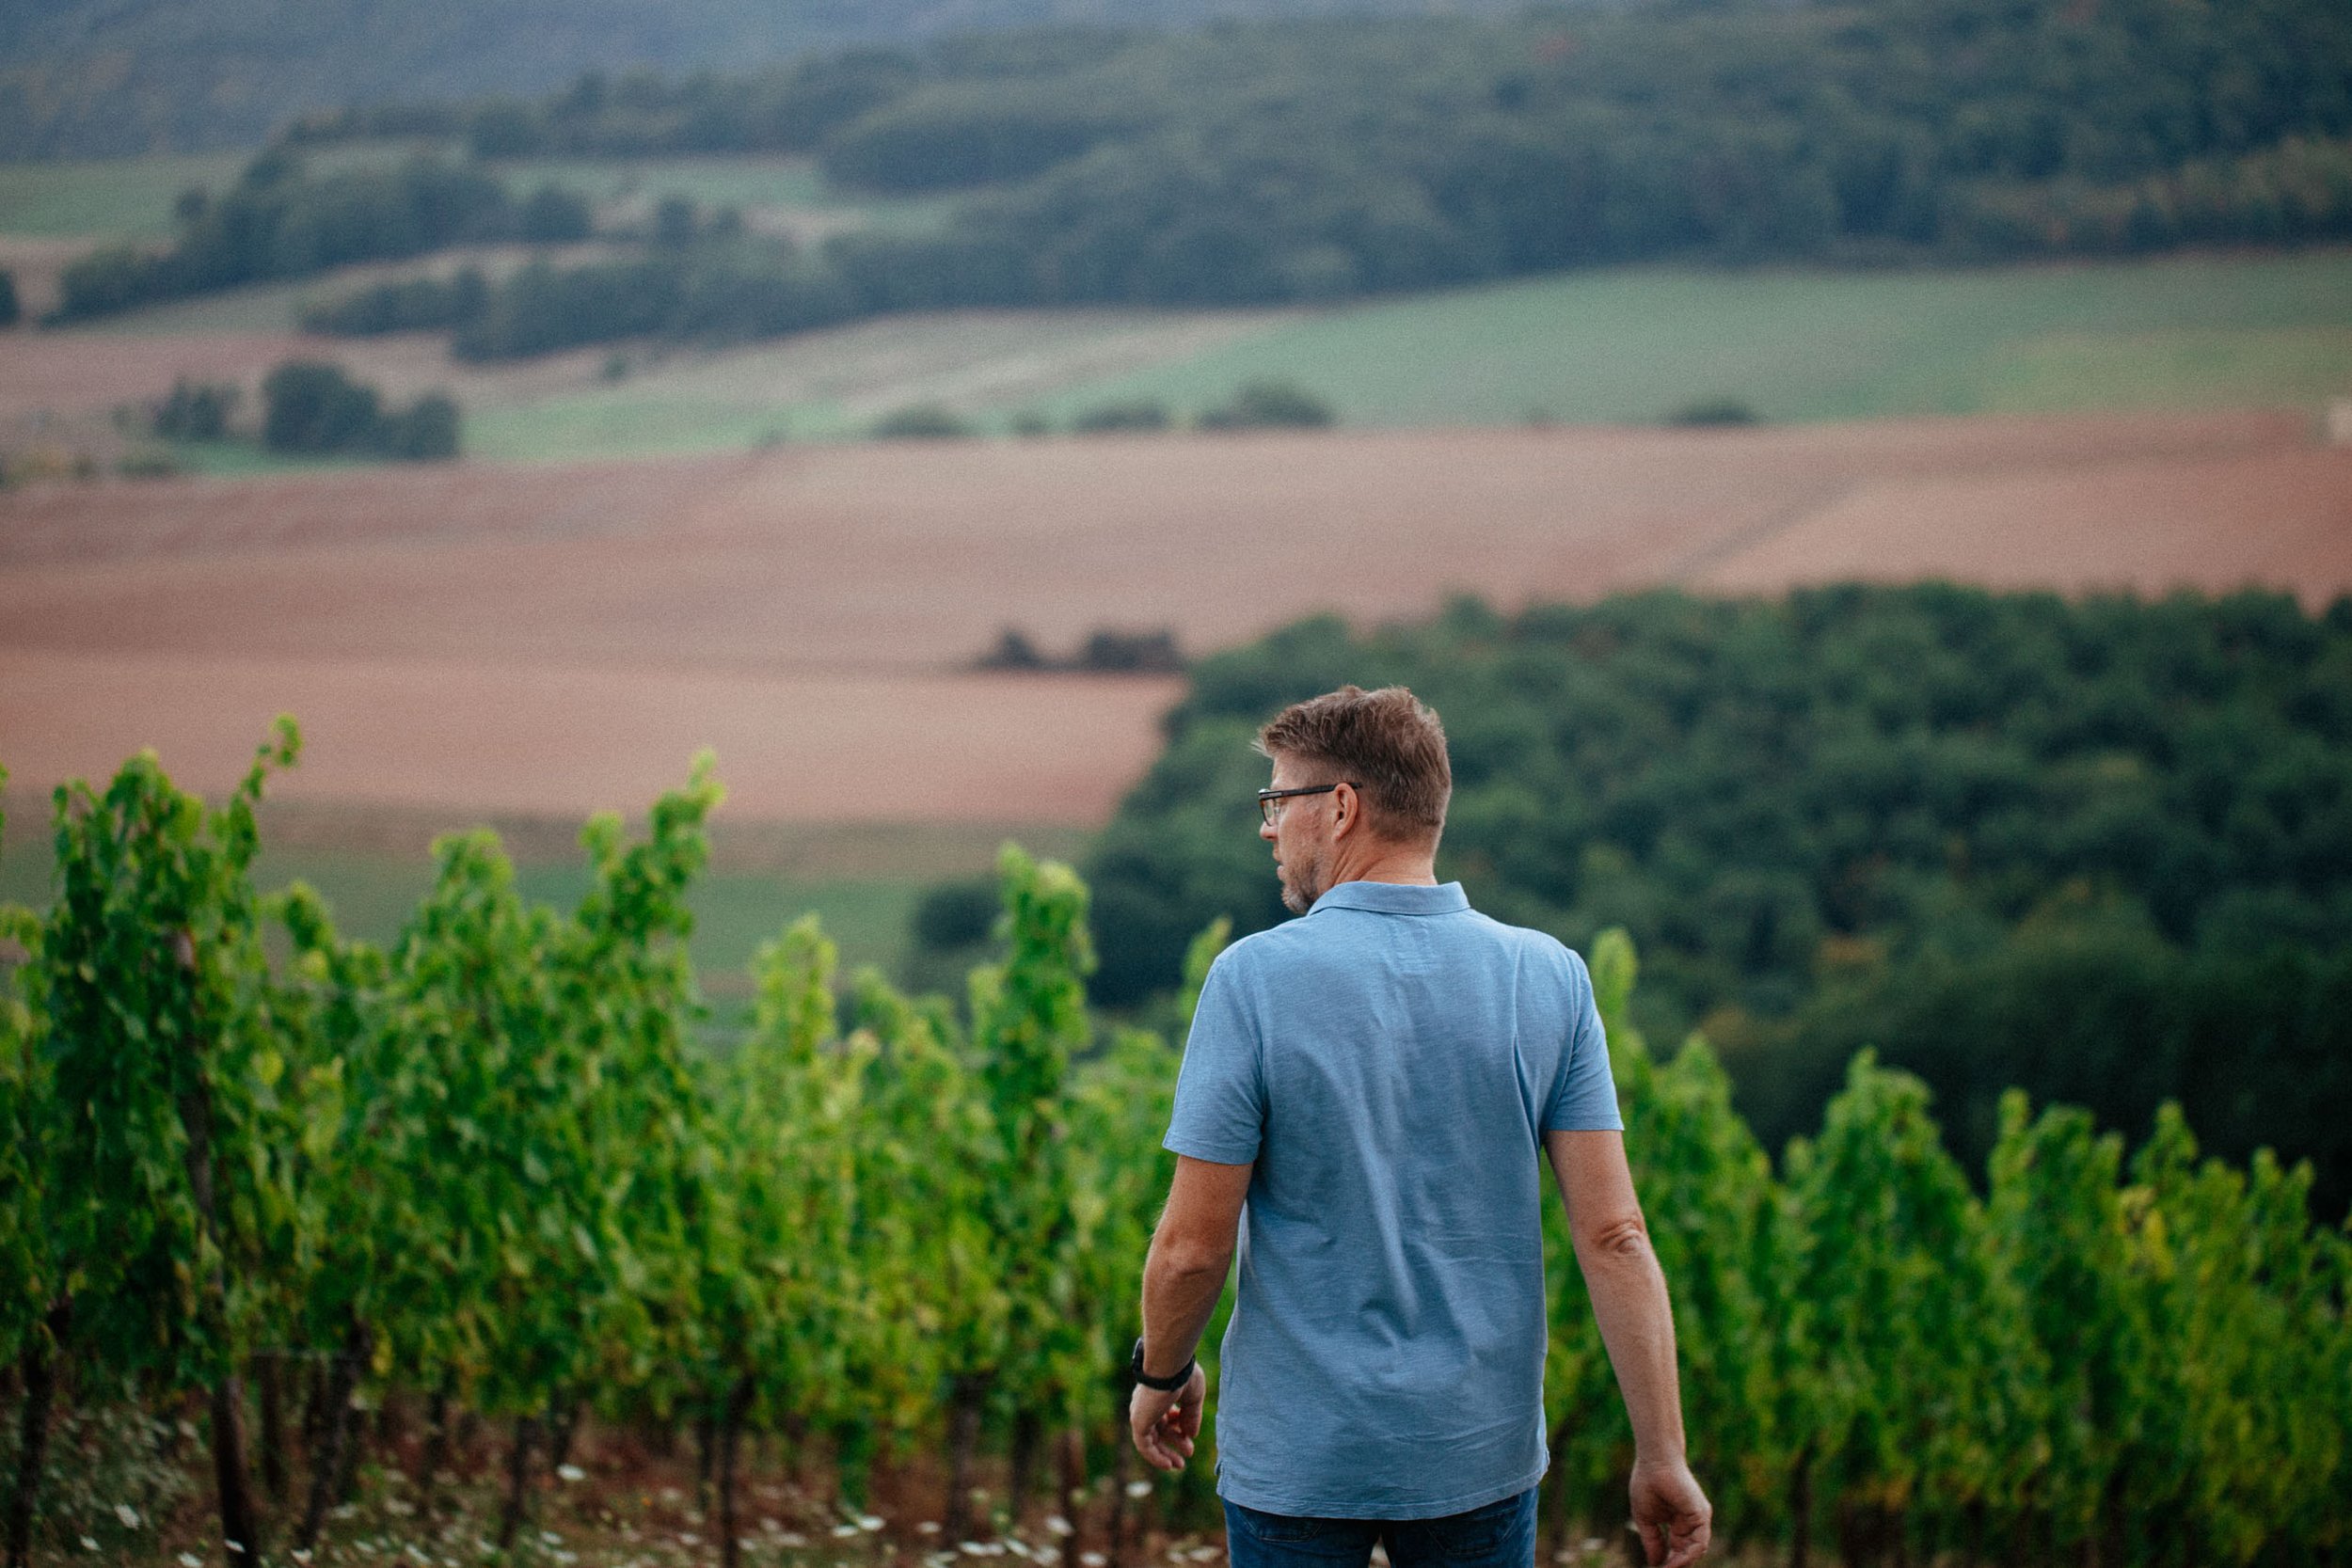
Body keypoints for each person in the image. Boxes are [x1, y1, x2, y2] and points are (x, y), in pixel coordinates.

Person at [1124, 685, 1711, 1568]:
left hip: (1301, 1456)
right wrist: (1661, 1451)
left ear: (1343, 807)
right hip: (1475, 1453)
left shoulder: (1252, 982)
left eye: (1277, 801)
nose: (1266, 827)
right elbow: (1616, 1235)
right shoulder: (1548, 979)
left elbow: (1190, 1249)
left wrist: (1162, 1371)